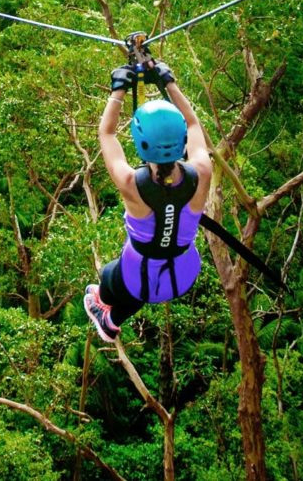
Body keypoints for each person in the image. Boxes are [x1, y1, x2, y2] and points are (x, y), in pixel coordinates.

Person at [83, 61, 213, 342]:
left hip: (138, 275)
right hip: (183, 273)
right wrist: (168, 82)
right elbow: (193, 123)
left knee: (109, 277)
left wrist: (118, 90)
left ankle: (103, 309)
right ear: (180, 142)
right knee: (140, 286)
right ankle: (112, 321)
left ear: (142, 143)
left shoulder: (133, 184)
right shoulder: (201, 172)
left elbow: (106, 134)